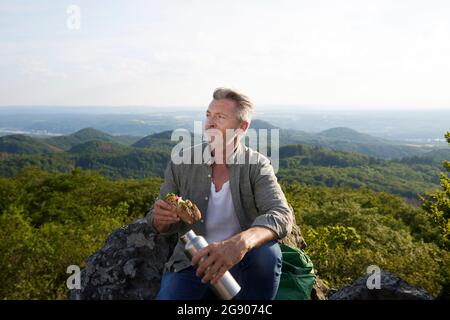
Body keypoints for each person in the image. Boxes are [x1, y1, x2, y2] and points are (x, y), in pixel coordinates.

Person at [146, 87, 294, 300]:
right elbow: (155, 220)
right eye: (208, 115)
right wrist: (161, 219)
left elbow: (281, 214)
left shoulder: (256, 165)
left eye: (220, 117)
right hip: (192, 263)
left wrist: (239, 244)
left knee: (267, 254)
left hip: (241, 262)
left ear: (242, 127)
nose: (210, 123)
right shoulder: (182, 161)